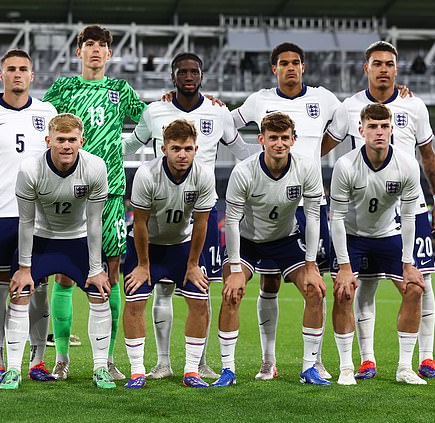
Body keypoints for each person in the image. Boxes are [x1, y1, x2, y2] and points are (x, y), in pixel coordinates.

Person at [123, 52, 254, 380]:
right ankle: (162, 362)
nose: (188, 76)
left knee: (201, 287)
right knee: (162, 290)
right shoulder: (154, 110)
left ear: (202, 75)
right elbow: (130, 146)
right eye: (182, 71)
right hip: (159, 206)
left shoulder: (218, 111)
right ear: (173, 75)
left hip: (200, 211)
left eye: (194, 71)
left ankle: (200, 362)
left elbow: (242, 153)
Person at [322, 41, 435, 380]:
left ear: (396, 68)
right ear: (367, 68)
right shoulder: (349, 107)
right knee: (365, 287)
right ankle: (365, 360)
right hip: (363, 209)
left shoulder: (414, 104)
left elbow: (428, 155)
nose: (384, 69)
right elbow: (323, 143)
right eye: (377, 63)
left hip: (410, 205)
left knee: (422, 282)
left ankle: (427, 358)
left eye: (389, 64)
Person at [40, 24, 146, 380]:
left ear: (109, 54)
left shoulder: (120, 89)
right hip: (66, 189)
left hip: (112, 189)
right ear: (79, 51)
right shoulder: (64, 87)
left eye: (102, 45)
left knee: (111, 275)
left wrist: (125, 147)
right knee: (65, 276)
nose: (96, 50)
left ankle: (109, 358)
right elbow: (36, 118)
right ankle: (62, 358)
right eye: (89, 44)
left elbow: (149, 121)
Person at [230, 42, 339, 381]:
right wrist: (246, 152)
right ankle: (267, 360)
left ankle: (314, 362)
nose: (290, 68)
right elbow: (226, 123)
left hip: (302, 201)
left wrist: (313, 155)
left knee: (315, 284)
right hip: (264, 199)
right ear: (273, 69)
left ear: (303, 67)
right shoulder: (259, 100)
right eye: (283, 63)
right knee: (269, 283)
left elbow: (345, 123)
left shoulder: (324, 99)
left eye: (296, 63)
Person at [214, 112, 328, 387]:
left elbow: (312, 216)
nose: (279, 143)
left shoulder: (306, 168)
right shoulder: (244, 171)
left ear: (293, 140)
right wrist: (236, 268)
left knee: (316, 290)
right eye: (273, 138)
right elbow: (231, 221)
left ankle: (309, 368)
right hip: (248, 241)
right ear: (261, 139)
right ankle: (228, 370)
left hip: (286, 239)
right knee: (232, 291)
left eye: (285, 138)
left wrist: (311, 265)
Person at [0, 49, 58, 385]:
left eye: (23, 69)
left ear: (32, 76)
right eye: (11, 69)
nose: (17, 74)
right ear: (0, 75)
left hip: (39, 215)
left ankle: (37, 361)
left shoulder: (48, 112)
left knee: (38, 289)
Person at [10, 113, 113, 389]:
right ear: (48, 141)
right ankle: (13, 370)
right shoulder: (30, 169)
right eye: (60, 140)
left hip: (77, 240)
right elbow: (26, 221)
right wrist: (24, 268)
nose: (66, 146)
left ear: (82, 141)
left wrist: (96, 269)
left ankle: (101, 368)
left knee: (100, 292)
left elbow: (94, 222)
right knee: (20, 293)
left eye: (71, 140)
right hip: (42, 238)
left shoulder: (95, 167)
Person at [329, 103, 426, 385]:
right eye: (372, 126)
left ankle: (405, 367)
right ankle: (347, 367)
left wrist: (408, 264)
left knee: (415, 288)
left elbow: (408, 216)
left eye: (384, 126)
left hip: (387, 235)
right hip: (352, 236)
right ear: (361, 131)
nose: (379, 132)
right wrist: (345, 266)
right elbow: (336, 219)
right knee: (344, 291)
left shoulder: (407, 165)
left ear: (392, 129)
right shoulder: (345, 165)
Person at [123, 119, 215, 389]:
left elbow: (201, 223)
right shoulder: (146, 174)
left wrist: (194, 264)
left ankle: (191, 371)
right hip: (146, 245)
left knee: (200, 300)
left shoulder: (203, 175)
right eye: (176, 148)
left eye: (187, 148)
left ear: (196, 148)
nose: (182, 154)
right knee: (135, 301)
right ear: (164, 149)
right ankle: (137, 371)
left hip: (181, 245)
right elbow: (139, 223)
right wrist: (142, 265)